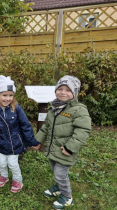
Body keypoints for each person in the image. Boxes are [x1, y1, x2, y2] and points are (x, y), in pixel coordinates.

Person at [33, 75, 91, 209]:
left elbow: (83, 130)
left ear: (74, 93)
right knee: (55, 171)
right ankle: (59, 187)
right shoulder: (54, 108)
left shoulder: (79, 110)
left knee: (60, 174)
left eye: (68, 90)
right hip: (53, 149)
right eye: (60, 88)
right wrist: (37, 141)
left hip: (65, 151)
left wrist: (70, 148)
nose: (63, 92)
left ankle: (67, 196)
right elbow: (46, 127)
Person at [0, 75, 40, 193]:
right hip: (1, 143)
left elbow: (26, 125)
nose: (8, 98)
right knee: (1, 162)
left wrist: (32, 141)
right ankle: (4, 176)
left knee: (12, 163)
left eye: (11, 95)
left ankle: (17, 180)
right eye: (4, 95)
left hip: (15, 143)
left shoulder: (16, 108)